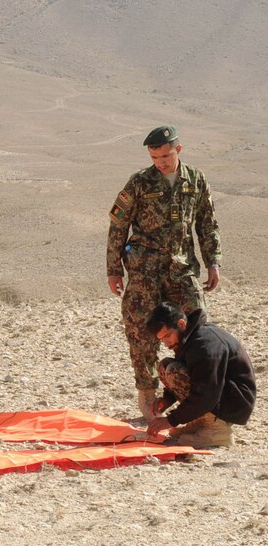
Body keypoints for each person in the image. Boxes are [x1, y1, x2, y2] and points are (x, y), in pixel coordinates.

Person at [107, 125, 222, 420]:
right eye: (155, 156)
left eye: (166, 156)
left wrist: (213, 262)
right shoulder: (139, 182)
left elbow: (207, 224)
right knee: (140, 330)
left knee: (196, 325)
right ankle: (147, 391)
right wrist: (113, 268)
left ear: (178, 150)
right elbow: (118, 225)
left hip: (182, 268)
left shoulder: (195, 180)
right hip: (145, 270)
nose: (161, 162)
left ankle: (198, 393)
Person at [144, 303, 255, 448]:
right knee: (165, 366)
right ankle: (204, 420)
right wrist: (167, 399)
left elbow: (207, 392)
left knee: (173, 371)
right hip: (218, 393)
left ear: (181, 324)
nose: (166, 343)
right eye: (162, 339)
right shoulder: (190, 337)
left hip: (234, 401)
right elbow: (196, 377)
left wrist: (171, 420)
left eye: (168, 336)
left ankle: (218, 430)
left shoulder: (205, 345)